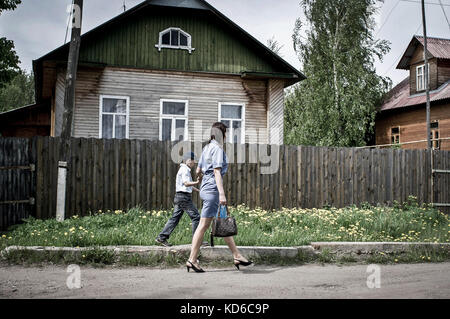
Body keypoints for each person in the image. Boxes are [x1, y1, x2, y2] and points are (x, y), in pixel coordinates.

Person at [186, 122, 252, 273]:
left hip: (205, 189)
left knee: (222, 222)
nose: (226, 137)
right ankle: (192, 259)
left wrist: (203, 177)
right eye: (225, 134)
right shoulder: (217, 149)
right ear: (221, 134)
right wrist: (221, 193)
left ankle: (237, 255)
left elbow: (198, 170)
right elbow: (216, 172)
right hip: (213, 190)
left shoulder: (206, 148)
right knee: (203, 225)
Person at [156, 152, 203, 247]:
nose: (194, 163)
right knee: (196, 217)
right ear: (188, 160)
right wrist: (197, 182)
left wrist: (198, 190)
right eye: (193, 161)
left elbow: (185, 185)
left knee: (175, 218)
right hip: (184, 198)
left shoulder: (184, 169)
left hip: (180, 196)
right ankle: (196, 241)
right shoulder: (185, 170)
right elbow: (186, 183)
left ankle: (162, 237)